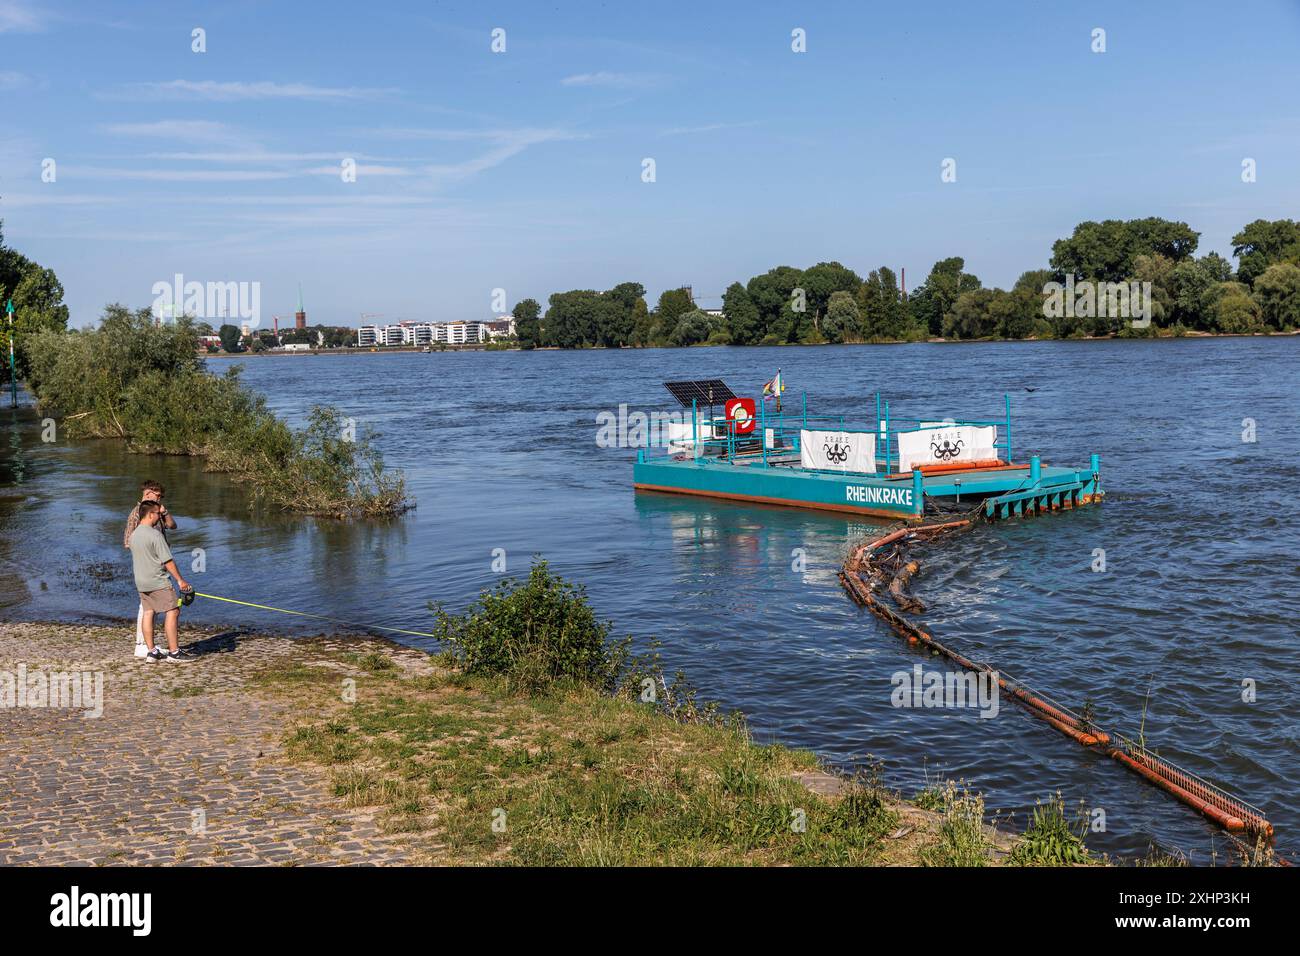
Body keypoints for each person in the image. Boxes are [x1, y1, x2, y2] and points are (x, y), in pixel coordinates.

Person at [128, 500, 192, 663]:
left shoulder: (134, 535)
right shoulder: (155, 534)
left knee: (149, 612)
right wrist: (180, 580)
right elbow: (167, 561)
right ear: (150, 514)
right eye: (158, 513)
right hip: (158, 581)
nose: (159, 516)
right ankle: (174, 652)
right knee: (173, 610)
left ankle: (152, 651)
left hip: (141, 581)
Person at [124, 480, 177, 658]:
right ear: (148, 494)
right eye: (158, 496)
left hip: (159, 563)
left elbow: (172, 526)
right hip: (150, 566)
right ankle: (142, 645)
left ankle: (149, 646)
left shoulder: (157, 511)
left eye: (161, 496)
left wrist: (165, 512)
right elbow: (128, 542)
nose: (160, 499)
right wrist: (151, 558)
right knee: (147, 608)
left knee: (149, 608)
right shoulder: (137, 514)